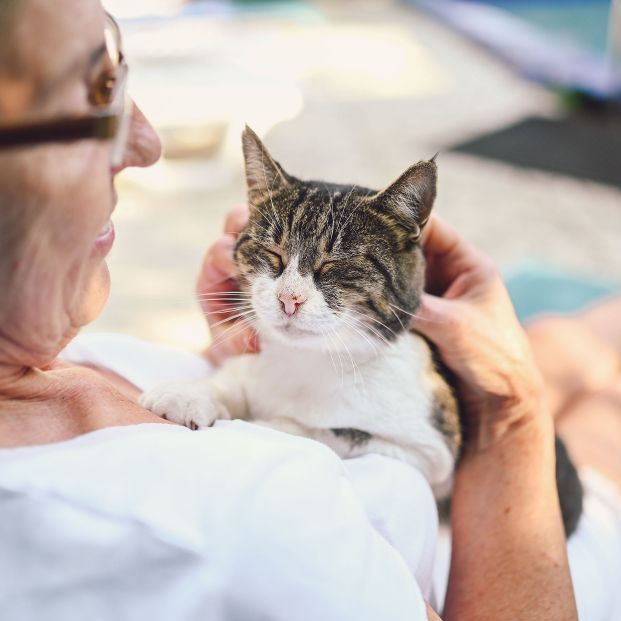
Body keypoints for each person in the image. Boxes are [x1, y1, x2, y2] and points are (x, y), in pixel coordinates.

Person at [0, 1, 619, 619]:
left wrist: (245, 343)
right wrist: (513, 406)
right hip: (555, 545)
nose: (148, 141)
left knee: (565, 339)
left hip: (397, 409)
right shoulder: (243, 539)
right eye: (101, 91)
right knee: (599, 397)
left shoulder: (51, 355)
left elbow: (246, 400)